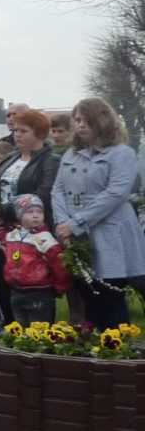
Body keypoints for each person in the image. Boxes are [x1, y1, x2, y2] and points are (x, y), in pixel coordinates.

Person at [52, 97, 145, 329]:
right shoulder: (70, 154)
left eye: (86, 120)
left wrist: (76, 222)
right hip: (77, 235)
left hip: (110, 232)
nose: (80, 125)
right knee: (87, 295)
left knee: (110, 296)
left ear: (102, 121)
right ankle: (95, 345)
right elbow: (58, 190)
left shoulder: (122, 153)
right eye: (77, 120)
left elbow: (116, 193)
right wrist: (63, 224)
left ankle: (117, 346)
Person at [0, 109, 60, 323]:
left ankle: (37, 335)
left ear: (39, 133)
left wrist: (6, 212)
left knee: (32, 284)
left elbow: (44, 194)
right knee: (4, 280)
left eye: (23, 131)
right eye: (16, 130)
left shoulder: (50, 160)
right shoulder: (11, 157)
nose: (17, 135)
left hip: (32, 232)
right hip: (4, 230)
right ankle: (10, 329)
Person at [0, 194, 70, 326]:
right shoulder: (13, 235)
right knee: (21, 327)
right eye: (30, 212)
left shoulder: (45, 238)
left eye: (39, 212)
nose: (35, 215)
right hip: (16, 290)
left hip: (40, 292)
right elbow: (3, 239)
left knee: (40, 329)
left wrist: (60, 286)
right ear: (19, 216)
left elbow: (58, 263)